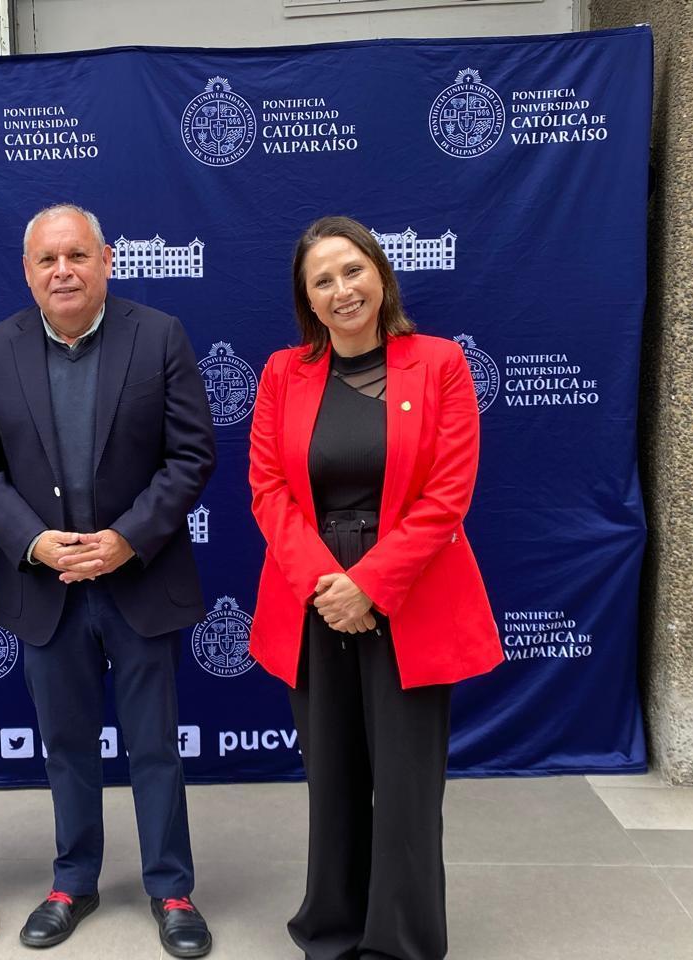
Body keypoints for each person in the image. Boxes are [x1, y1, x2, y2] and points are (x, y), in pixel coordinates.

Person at [0, 204, 217, 958]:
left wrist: (127, 539)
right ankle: (74, 880)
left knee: (154, 745)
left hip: (140, 581)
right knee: (65, 744)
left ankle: (172, 888)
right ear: (27, 271)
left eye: (76, 255)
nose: (62, 271)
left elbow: (192, 454)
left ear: (107, 260)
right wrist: (34, 542)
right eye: (47, 260)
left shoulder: (158, 335)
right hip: (47, 587)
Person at [247, 215, 504, 960]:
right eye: (322, 280)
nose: (342, 290)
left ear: (381, 275)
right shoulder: (281, 373)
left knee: (405, 786)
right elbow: (268, 489)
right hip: (314, 596)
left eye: (352, 270)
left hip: (409, 593)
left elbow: (448, 495)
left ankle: (399, 944)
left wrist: (370, 587)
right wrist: (327, 587)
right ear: (308, 300)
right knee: (331, 777)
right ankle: (331, 931)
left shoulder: (441, 363)